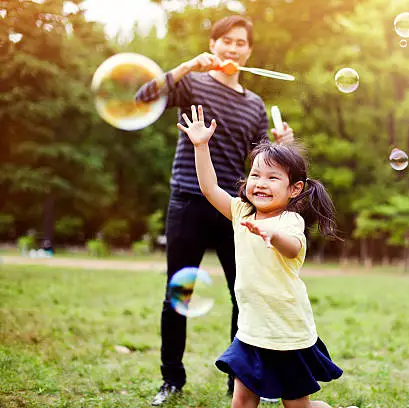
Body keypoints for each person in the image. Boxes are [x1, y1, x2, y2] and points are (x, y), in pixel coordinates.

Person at [135, 15, 294, 406]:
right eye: (226, 41)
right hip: (187, 199)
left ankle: (240, 382)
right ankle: (171, 379)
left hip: (233, 209)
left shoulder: (255, 105)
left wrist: (282, 146)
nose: (233, 48)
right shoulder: (192, 83)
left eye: (240, 42)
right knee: (179, 293)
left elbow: (260, 164)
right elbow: (143, 97)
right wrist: (187, 65)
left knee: (245, 294)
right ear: (213, 44)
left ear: (249, 51)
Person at [178, 104, 343, 407]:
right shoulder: (241, 212)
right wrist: (201, 147)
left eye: (272, 178)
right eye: (255, 175)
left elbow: (293, 247)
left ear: (295, 189)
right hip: (252, 329)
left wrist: (273, 235)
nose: (260, 183)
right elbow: (209, 187)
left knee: (296, 406)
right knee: (242, 401)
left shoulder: (289, 222)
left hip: (287, 330)